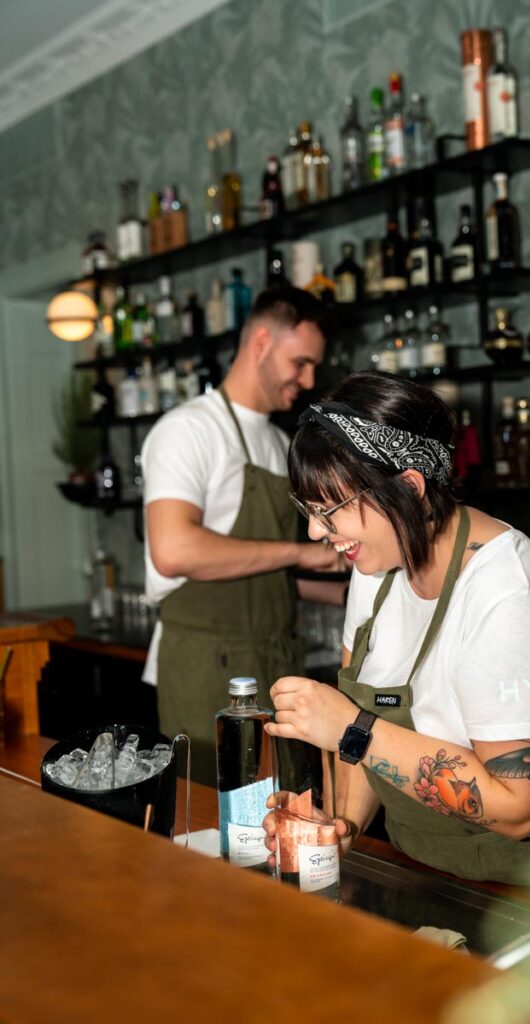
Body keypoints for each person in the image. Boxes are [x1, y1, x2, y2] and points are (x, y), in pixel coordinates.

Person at [263, 372, 530, 892]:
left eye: (331, 509)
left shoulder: (511, 598)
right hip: (425, 862)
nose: (315, 531)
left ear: (409, 489)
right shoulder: (376, 565)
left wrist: (351, 729)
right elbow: (361, 719)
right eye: (310, 508)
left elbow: (520, 808)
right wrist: (339, 827)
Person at [142, 286, 344, 785]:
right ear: (261, 343)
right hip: (208, 669)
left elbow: (263, 573)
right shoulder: (188, 430)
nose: (309, 380)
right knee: (210, 814)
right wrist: (304, 554)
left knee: (284, 809)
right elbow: (173, 551)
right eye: (300, 363)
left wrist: (342, 590)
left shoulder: (279, 442)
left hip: (276, 664)